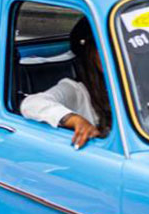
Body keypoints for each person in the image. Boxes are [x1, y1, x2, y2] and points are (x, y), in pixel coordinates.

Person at [20, 17, 110, 149]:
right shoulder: (77, 90)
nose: (113, 56)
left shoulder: (134, 83)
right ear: (91, 52)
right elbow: (31, 104)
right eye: (104, 49)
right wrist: (75, 120)